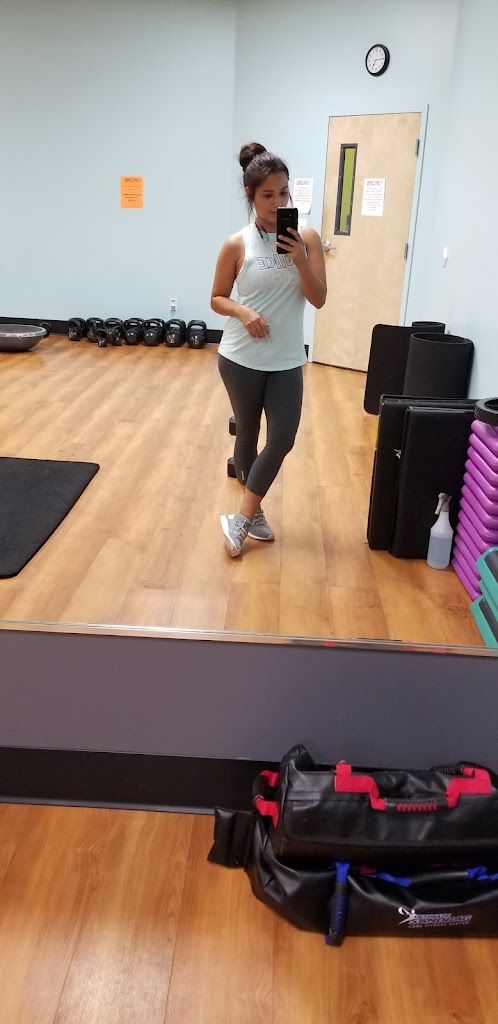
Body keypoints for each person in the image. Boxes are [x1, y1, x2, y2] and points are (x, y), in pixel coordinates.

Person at [211, 142, 327, 557]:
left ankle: (240, 518)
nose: (278, 203)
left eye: (283, 193)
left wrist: (300, 260)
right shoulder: (236, 244)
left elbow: (319, 299)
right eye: (268, 195)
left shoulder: (307, 237)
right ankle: (255, 512)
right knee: (247, 433)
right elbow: (217, 298)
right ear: (250, 195)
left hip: (287, 360)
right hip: (240, 358)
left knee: (282, 438)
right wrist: (243, 311)